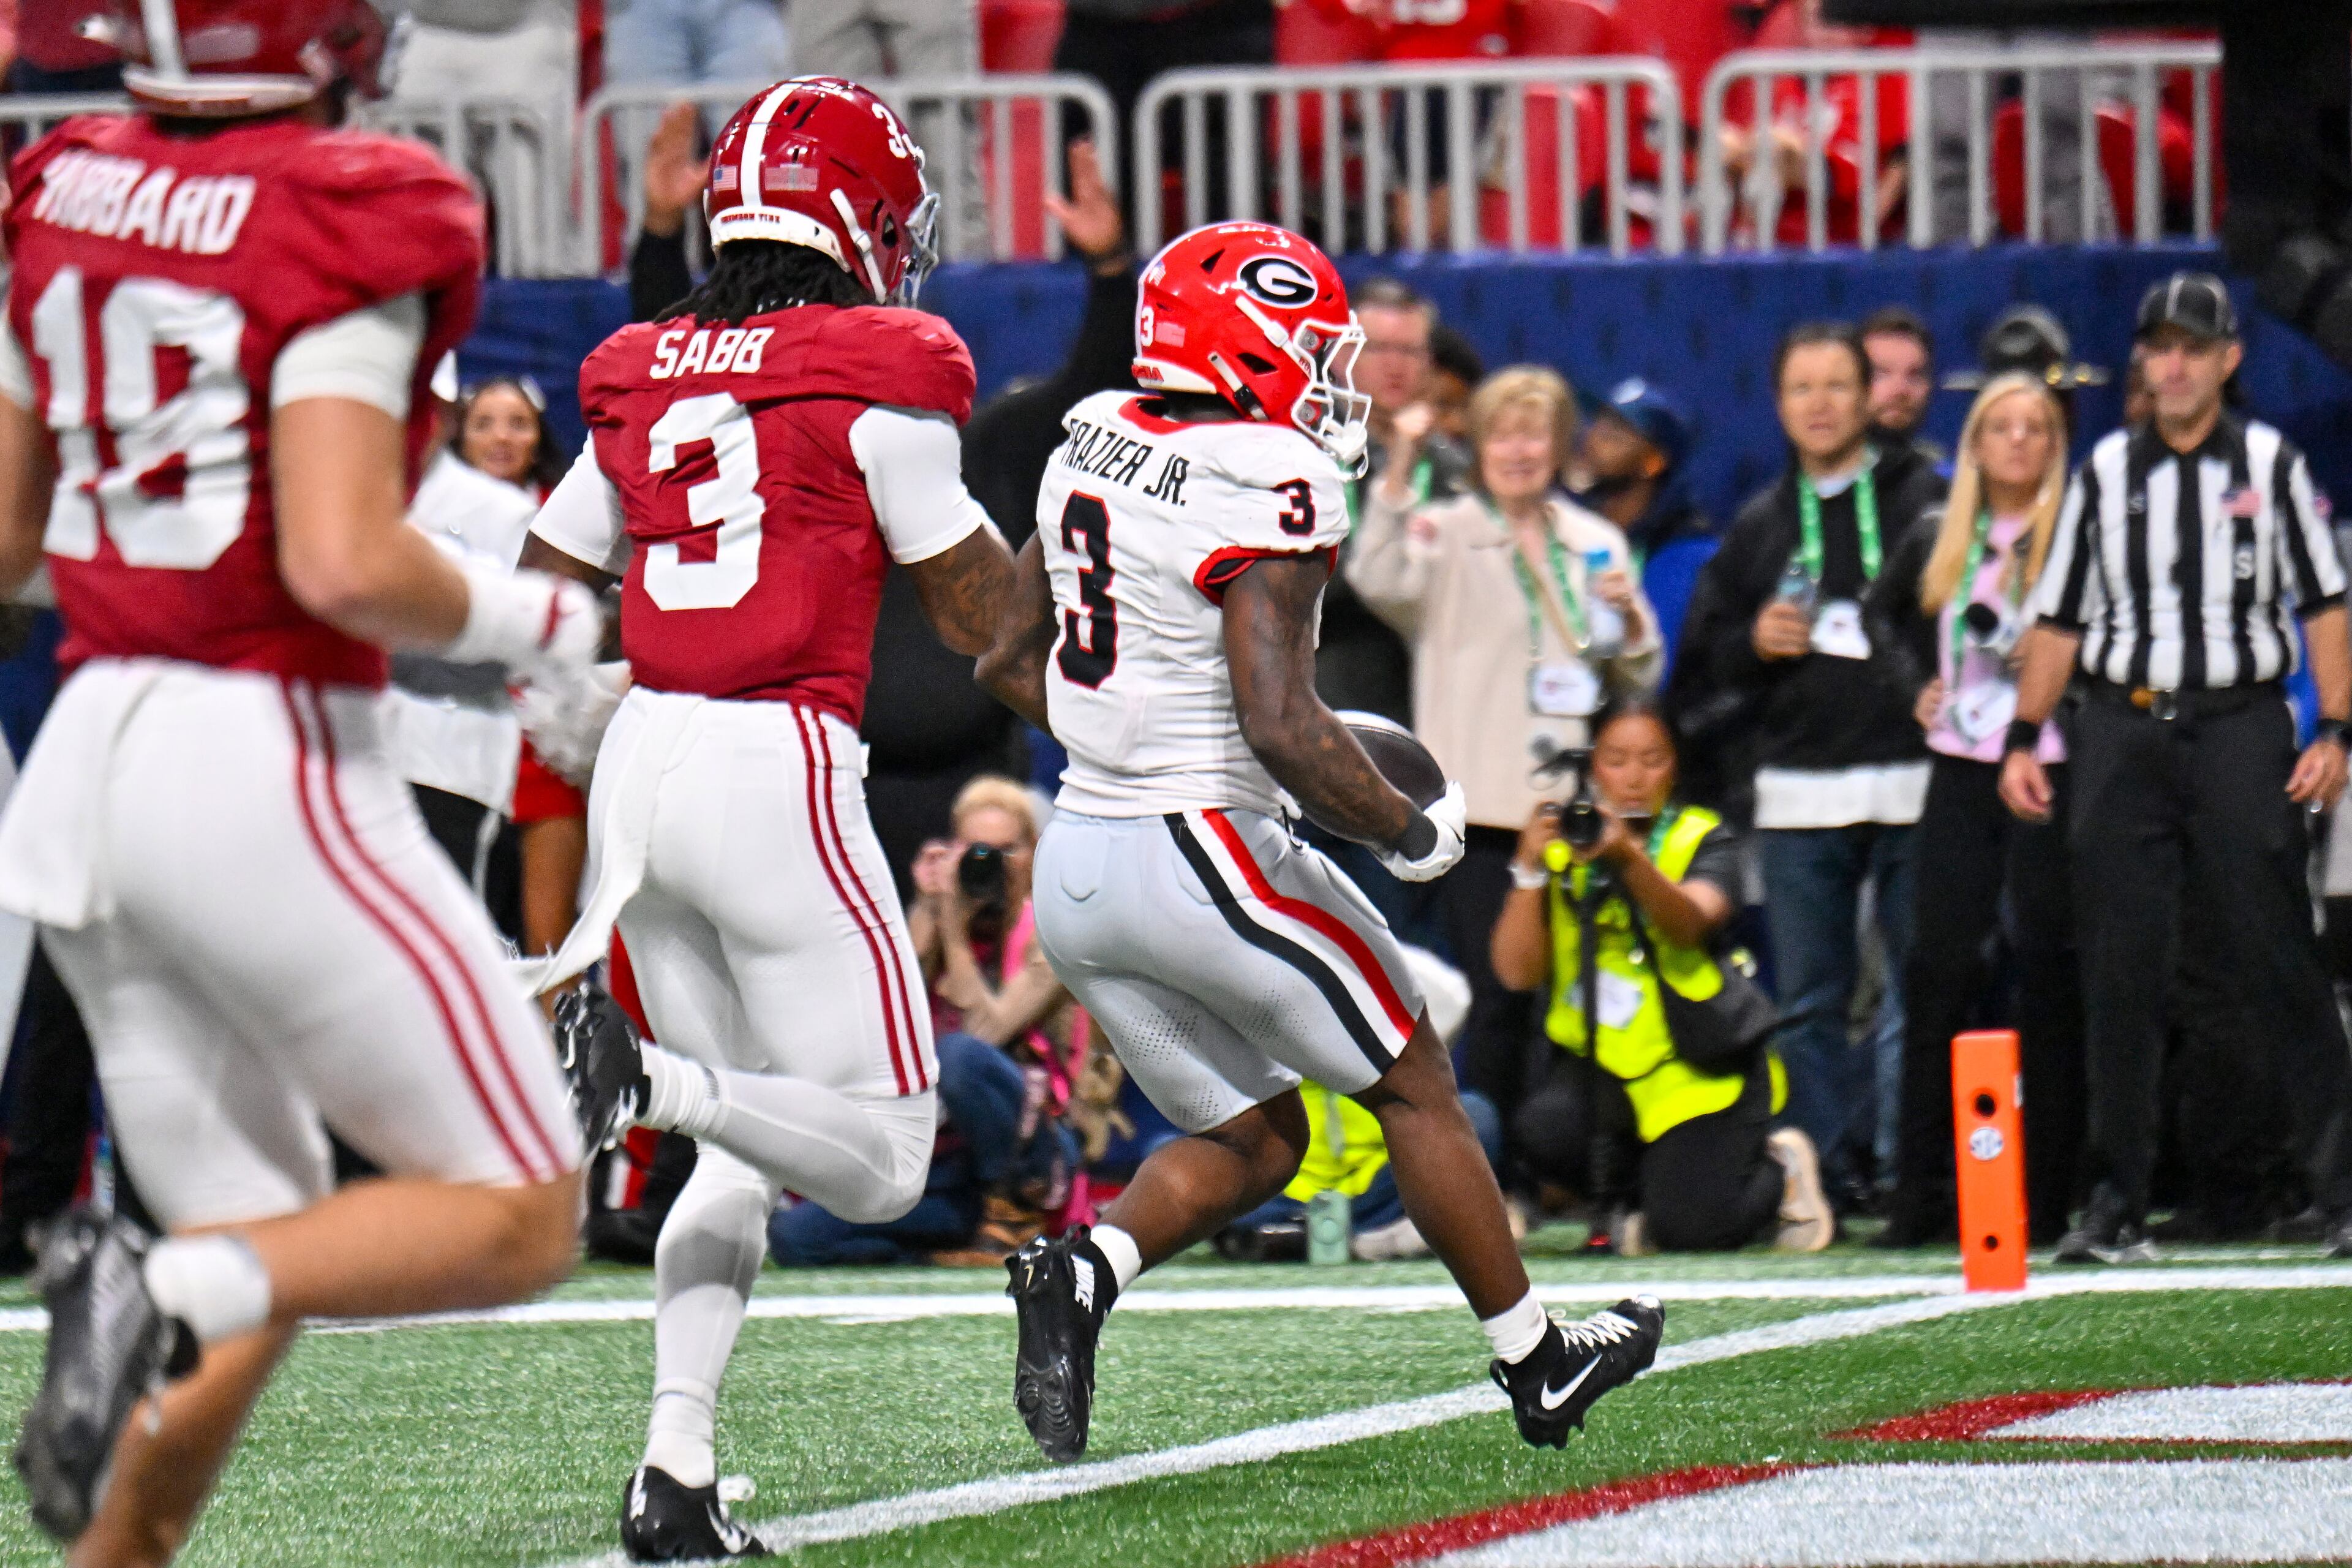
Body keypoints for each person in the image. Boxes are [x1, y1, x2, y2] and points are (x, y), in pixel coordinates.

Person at [0, 3, 600, 1555]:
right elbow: (341, 555)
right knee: (519, 1206)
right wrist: (544, 620)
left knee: (258, 1247)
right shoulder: (346, 199)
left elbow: (8, 542)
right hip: (257, 759)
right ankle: (153, 1277)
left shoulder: (59, 179)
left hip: (83, 763)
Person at [978, 221, 1662, 1466]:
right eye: (1307, 347)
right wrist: (1405, 831)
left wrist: (1132, 750)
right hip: (1202, 849)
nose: (1326, 376)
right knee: (1413, 1079)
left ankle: (1083, 1268)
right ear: (1238, 346)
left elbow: (1007, 659)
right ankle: (1540, 1357)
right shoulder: (1264, 472)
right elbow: (1281, 722)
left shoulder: (1095, 434)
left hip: (1080, 863)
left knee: (1262, 1137)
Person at [516, 78, 1021, 1559]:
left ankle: (673, 1469)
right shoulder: (880, 361)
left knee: (739, 1142)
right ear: (860, 217)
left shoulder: (645, 361)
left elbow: (552, 570)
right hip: (774, 758)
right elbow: (977, 611)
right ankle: (639, 1079)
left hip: (642, 758)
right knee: (885, 1153)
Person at [2002, 271, 2352, 1264]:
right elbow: (2060, 617)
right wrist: (2025, 739)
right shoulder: (2106, 473)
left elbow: (2326, 605)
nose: (2176, 363)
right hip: (2123, 730)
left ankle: (2341, 1189)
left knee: (2279, 954)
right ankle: (2116, 1206)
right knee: (2119, 970)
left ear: (2229, 359)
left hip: (2242, 726)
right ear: (2144, 362)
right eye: (2160, 347)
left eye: (2194, 347)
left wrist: (2337, 729)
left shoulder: (2276, 465)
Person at [1349, 365, 1662, 1146]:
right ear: (1479, 445)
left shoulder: (1593, 541)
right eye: (1503, 434)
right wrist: (1397, 468)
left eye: (1536, 435)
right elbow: (1374, 577)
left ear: (1559, 448)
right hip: (1477, 806)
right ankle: (1489, 1161)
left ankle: (1550, 1157)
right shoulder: (1445, 526)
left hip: (1568, 806)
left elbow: (1638, 673)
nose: (1520, 451)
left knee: (1565, 992)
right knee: (1495, 992)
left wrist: (1631, 621)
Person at [1679, 322, 1945, 1204]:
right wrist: (1753, 641)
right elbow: (1708, 658)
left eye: (1839, 385)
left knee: (1918, 990)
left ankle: (1910, 1172)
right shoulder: (1759, 526)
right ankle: (1828, 1178)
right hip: (1798, 791)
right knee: (1808, 1004)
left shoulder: (1924, 501)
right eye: (1803, 388)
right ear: (1779, 405)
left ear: (1870, 397)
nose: (1821, 404)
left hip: (1914, 778)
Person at [1491, 695, 1830, 1254]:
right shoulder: (1563, 849)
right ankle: (1638, 1198)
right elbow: (1516, 972)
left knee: (1695, 1230)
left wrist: (1629, 859)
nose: (1633, 778)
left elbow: (1690, 923)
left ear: (1676, 765)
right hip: (1603, 1064)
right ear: (1592, 766)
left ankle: (1780, 1170)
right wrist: (1528, 871)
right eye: (1616, 760)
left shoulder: (1702, 837)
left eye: (1653, 760)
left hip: (1696, 1066)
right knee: (1544, 1131)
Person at [1867, 372, 2082, 1248]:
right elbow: (1876, 619)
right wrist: (1910, 688)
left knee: (2050, 972)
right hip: (1959, 765)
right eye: (2002, 427)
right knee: (1935, 972)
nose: (2020, 442)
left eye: (2036, 428)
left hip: (2051, 769)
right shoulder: (1936, 534)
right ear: (1977, 445)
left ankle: (2056, 1191)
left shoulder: (2076, 537)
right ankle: (1919, 1195)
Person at [772, 776, 1089, 1268]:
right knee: (796, 1237)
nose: (993, 865)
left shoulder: (1051, 934)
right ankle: (956, 1243)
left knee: (958, 1055)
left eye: (1009, 849)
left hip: (1034, 1156)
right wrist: (927, 908)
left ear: (1035, 854)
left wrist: (955, 933)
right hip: (950, 1167)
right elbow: (881, 1024)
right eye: (978, 851)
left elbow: (983, 1036)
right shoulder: (937, 919)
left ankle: (1017, 1216)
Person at [1574, 377, 1712, 675]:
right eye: (1597, 422)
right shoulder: (1570, 530)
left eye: (1616, 432)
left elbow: (1663, 672)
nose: (1593, 438)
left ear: (1652, 462)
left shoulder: (1690, 554)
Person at [455, 376, 568, 500]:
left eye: (518, 425)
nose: (502, 437)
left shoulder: (563, 507)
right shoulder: (437, 508)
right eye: (483, 425)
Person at [1861, 306, 1940, 467]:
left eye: (1915, 375)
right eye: (1881, 374)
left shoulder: (1938, 477)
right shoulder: (1815, 479)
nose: (1900, 390)